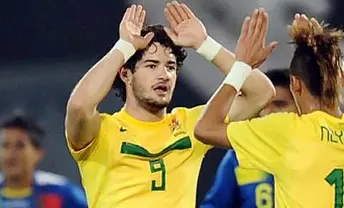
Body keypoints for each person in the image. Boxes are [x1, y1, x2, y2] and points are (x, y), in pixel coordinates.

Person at [65, 2, 276, 207]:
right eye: (152, 65)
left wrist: (205, 45)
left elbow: (261, 93)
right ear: (126, 74)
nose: (164, 75)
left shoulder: (193, 125)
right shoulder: (100, 131)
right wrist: (123, 47)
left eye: (171, 67)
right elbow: (79, 106)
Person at [194, 12, 344, 208]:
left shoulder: (286, 131)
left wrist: (242, 67)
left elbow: (205, 129)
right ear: (340, 79)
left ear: (295, 85)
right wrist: (333, 63)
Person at [201, 69, 296, 208]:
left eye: (280, 104)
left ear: (300, 106)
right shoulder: (239, 155)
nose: (268, 112)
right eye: (264, 106)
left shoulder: (319, 150)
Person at [0, 113, 87, 208]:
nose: (11, 154)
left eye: (20, 146)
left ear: (38, 152)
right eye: (5, 146)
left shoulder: (61, 192)